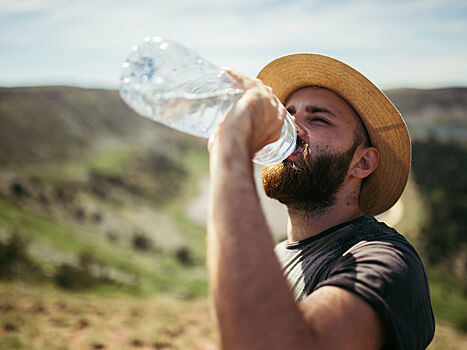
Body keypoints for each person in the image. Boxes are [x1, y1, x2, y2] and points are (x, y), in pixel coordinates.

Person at [206, 54, 435, 350]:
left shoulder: (388, 262)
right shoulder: (275, 256)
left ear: (362, 162)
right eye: (286, 116)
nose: (291, 129)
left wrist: (230, 147)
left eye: (318, 119)